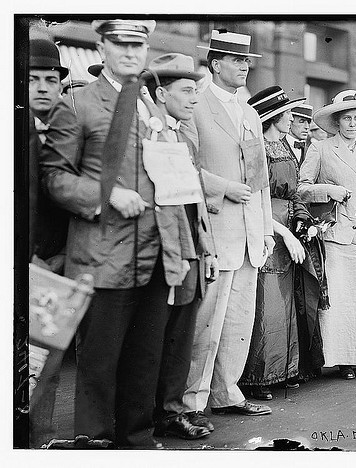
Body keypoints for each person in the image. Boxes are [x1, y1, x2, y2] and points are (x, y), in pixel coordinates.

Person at [40, 19, 200, 448]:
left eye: (138, 46)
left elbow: (172, 184)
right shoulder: (77, 105)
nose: (130, 54)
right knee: (98, 364)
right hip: (102, 255)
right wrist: (106, 195)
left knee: (145, 361)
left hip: (155, 253)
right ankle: (94, 444)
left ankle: (138, 442)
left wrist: (182, 250)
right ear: (102, 46)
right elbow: (54, 178)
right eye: (120, 45)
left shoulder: (153, 107)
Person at [180, 29, 275, 422]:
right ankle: (191, 401)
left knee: (239, 320)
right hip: (216, 229)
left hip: (250, 233)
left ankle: (226, 391)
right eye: (238, 60)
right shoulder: (195, 105)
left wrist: (267, 228)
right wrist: (222, 189)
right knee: (207, 322)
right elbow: (183, 167)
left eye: (247, 60)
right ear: (216, 64)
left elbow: (261, 179)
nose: (245, 66)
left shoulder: (249, 111)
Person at [139, 53, 219, 440]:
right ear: (160, 92)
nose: (193, 100)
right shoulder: (145, 132)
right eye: (186, 91)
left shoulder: (186, 135)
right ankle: (146, 416)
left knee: (181, 334)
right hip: (162, 248)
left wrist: (208, 248)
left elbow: (197, 198)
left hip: (191, 246)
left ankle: (171, 412)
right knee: (155, 334)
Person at [298, 89, 356, 380]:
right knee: (339, 299)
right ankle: (342, 360)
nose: (352, 124)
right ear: (337, 122)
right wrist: (329, 191)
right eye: (347, 118)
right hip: (336, 235)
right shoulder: (322, 149)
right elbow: (301, 188)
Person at [238, 86, 311, 400]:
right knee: (266, 302)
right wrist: (284, 232)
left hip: (287, 228)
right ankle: (258, 377)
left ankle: (284, 370)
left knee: (284, 302)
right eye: (289, 114)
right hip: (266, 227)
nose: (293, 119)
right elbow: (255, 199)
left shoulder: (284, 146)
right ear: (273, 117)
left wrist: (303, 221)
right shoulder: (256, 148)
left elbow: (293, 194)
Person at [27, 37, 69, 449]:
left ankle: (42, 443)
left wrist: (59, 256)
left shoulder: (66, 134)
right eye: (31, 78)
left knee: (46, 361)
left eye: (50, 79)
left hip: (55, 263)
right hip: (19, 263)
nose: (41, 86)